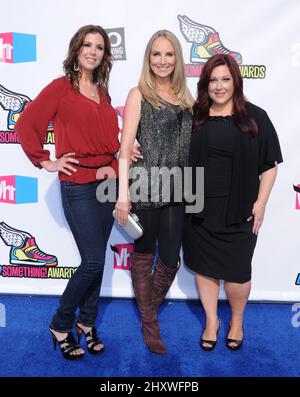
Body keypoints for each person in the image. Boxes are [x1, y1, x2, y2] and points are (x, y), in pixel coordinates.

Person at [15, 25, 135, 360]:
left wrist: (121, 150)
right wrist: (45, 161)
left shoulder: (102, 91)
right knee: (94, 260)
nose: (93, 51)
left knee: (96, 261)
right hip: (78, 185)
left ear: (104, 55)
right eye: (88, 45)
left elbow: (104, 138)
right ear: (76, 50)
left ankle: (87, 323)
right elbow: (26, 125)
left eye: (99, 47)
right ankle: (61, 322)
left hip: (106, 183)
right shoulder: (61, 88)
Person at [183, 54, 283, 351]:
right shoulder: (195, 117)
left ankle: (237, 321)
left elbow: (269, 165)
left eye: (225, 79)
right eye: (213, 80)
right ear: (205, 84)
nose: (219, 86)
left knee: (238, 273)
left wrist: (261, 203)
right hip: (198, 210)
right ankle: (212, 321)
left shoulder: (255, 117)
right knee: (205, 269)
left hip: (240, 211)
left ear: (236, 82)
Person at [114, 30, 193, 355]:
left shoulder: (188, 99)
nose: (162, 61)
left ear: (177, 59)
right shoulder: (138, 94)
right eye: (156, 54)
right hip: (145, 184)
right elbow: (124, 151)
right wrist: (123, 195)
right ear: (149, 59)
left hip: (179, 187)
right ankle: (150, 323)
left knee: (171, 259)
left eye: (169, 54)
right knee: (145, 254)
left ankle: (146, 309)